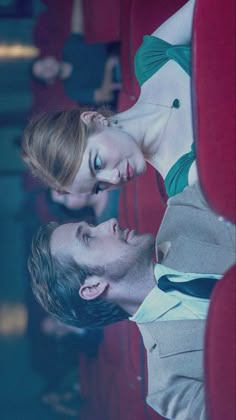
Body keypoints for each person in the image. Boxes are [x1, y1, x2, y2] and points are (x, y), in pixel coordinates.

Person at [27, 182, 236, 419]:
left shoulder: (185, 209)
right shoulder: (172, 389)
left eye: (92, 226)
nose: (109, 223)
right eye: (88, 238)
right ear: (93, 287)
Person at [22, 0, 197, 199]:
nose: (114, 180)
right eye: (99, 187)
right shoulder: (179, 180)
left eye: (97, 164)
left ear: (93, 119)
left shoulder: (151, 58)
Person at [32, 0, 121, 105]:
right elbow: (104, 96)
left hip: (118, 47)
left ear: (48, 57)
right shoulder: (72, 91)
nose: (47, 68)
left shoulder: (68, 48)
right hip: (119, 75)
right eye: (43, 72)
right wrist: (108, 68)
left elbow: (76, 25)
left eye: (43, 64)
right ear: (49, 81)